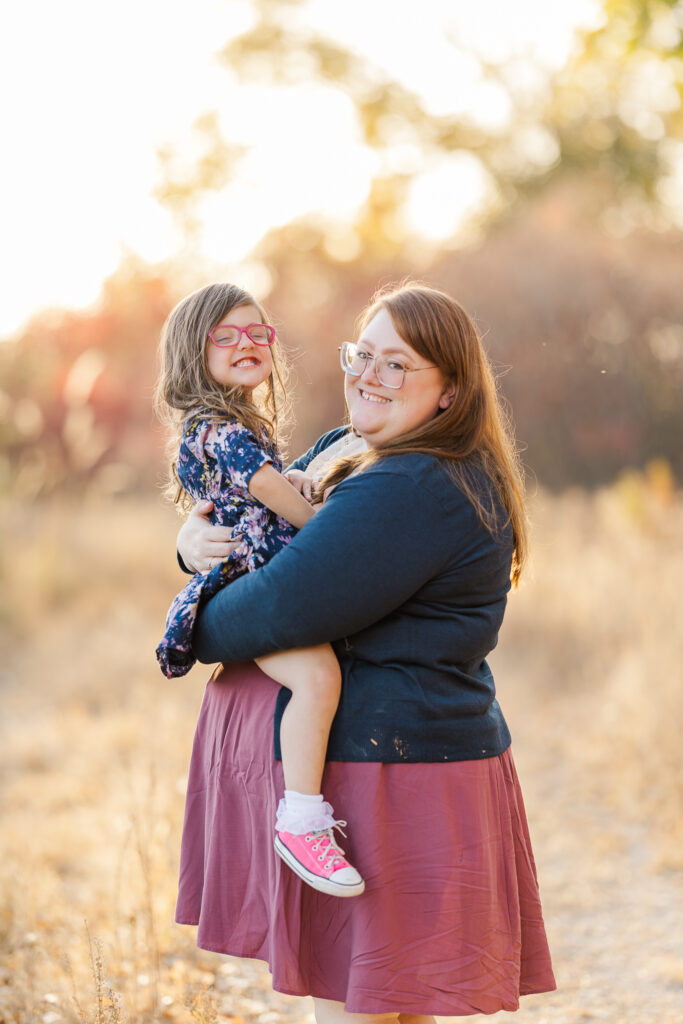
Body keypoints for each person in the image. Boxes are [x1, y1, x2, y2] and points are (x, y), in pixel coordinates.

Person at [174, 283, 557, 1019]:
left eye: (396, 366)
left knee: (364, 1005)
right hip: (392, 760)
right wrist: (190, 550)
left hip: (387, 776)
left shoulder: (412, 484)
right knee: (390, 1005)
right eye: (364, 356)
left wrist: (194, 615)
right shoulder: (357, 451)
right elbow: (250, 527)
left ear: (449, 392)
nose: (367, 377)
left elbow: (277, 606)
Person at [154, 283, 364, 897]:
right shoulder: (219, 429)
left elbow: (250, 492)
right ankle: (301, 820)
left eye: (257, 333)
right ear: (196, 351)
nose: (247, 343)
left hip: (257, 572)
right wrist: (329, 527)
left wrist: (293, 478)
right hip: (254, 583)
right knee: (317, 678)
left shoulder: (226, 426)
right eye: (227, 335)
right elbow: (268, 496)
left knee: (323, 675)